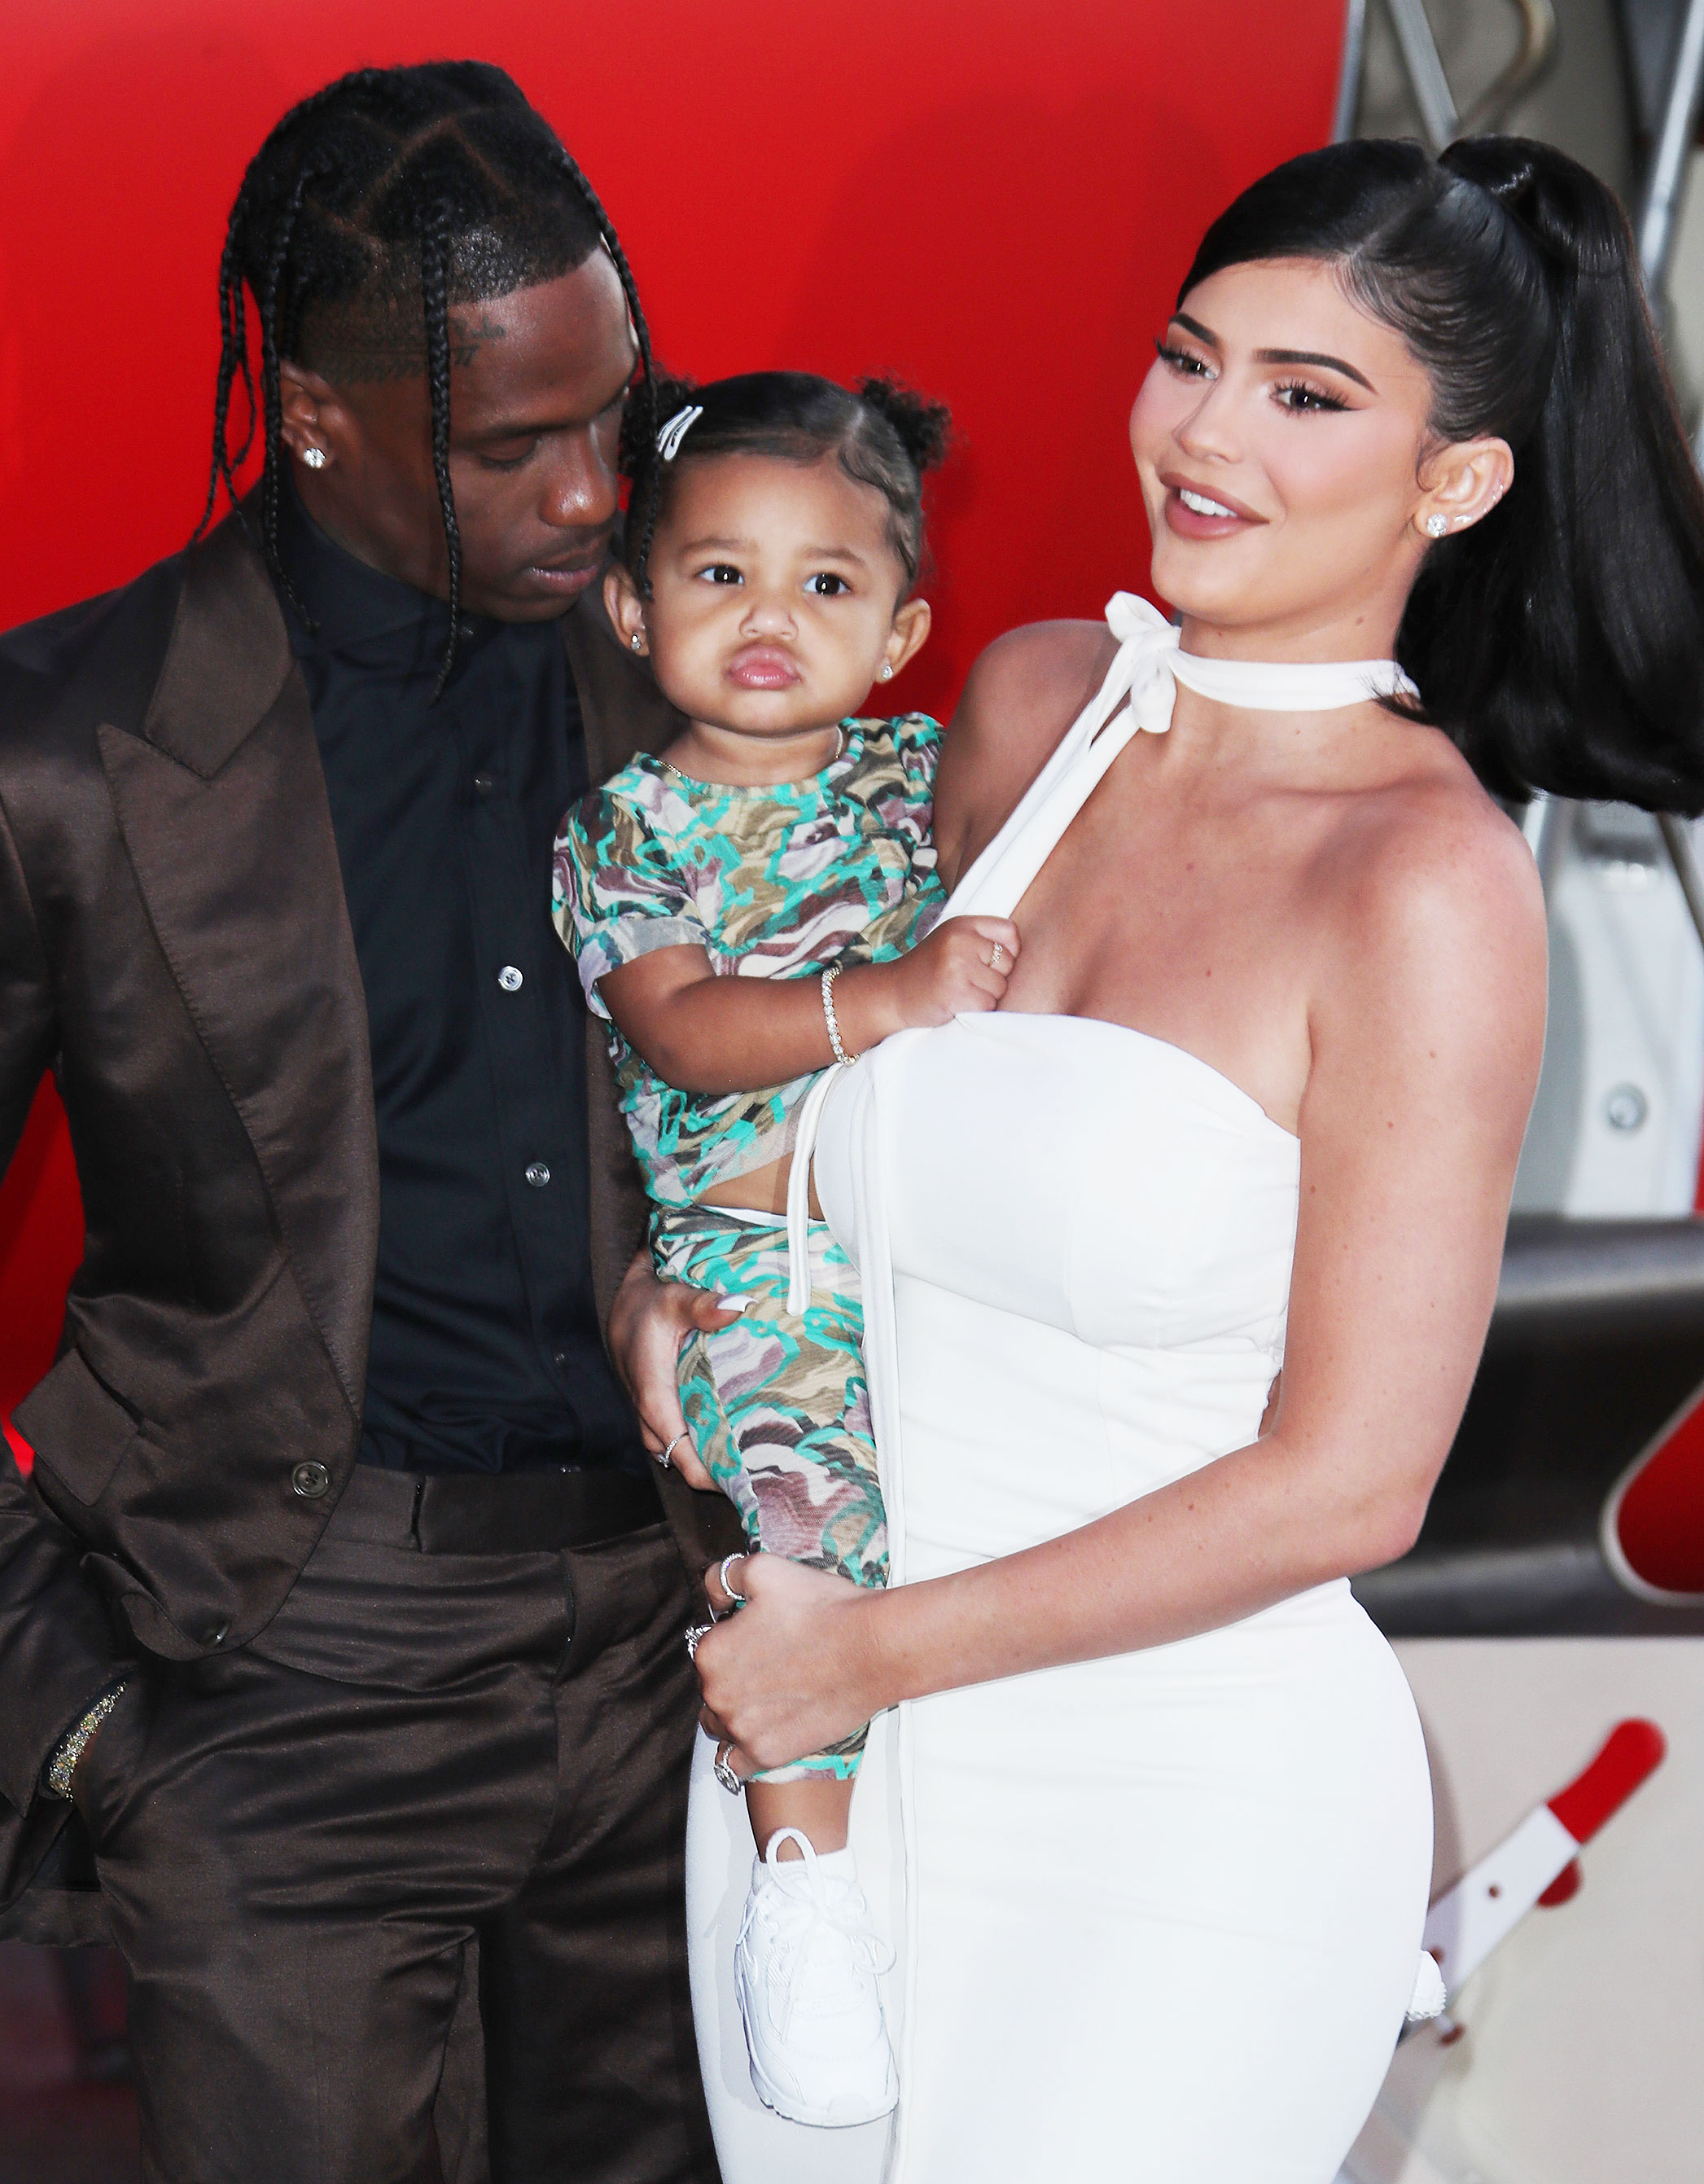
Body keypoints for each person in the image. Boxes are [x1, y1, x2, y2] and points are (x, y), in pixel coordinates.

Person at [678, 137, 1704, 2180]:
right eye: (1188, 356)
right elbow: (795, 1097)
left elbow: (1354, 1478)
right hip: (824, 1783)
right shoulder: (1028, 709)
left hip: (1169, 1810)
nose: (1206, 434)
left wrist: (861, 1654)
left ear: (1460, 480)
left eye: (1308, 397)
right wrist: (673, 1286)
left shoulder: (1426, 884)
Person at [0, 60, 742, 2184]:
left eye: (616, 412)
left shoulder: (704, 685)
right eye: (516, 443)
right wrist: (82, 1719)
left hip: (677, 1678)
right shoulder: (61, 752)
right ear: (316, 415)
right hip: (283, 1676)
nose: (598, 490)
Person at [556, 370, 1017, 2129]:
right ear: (632, 605)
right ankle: (803, 1888)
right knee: (806, 1535)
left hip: (951, 1260)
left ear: (903, 628)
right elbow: (683, 1031)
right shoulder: (626, 837)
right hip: (767, 1268)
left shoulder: (930, 781)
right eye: (719, 575)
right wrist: (882, 998)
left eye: (827, 584)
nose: (771, 619)